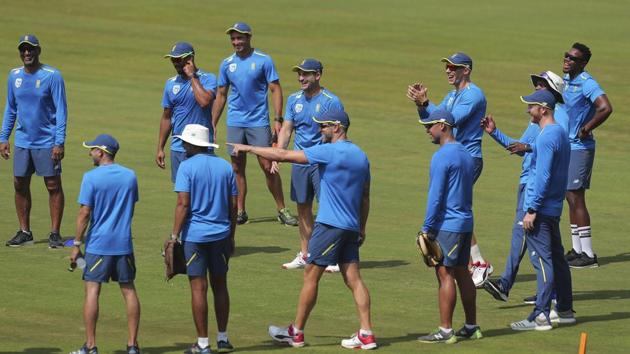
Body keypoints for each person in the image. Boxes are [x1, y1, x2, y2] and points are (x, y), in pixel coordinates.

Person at [228, 109, 377, 350]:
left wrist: (248, 149)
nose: (320, 130)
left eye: (324, 126)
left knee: (311, 276)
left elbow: (283, 154)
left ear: (337, 127)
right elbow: (366, 197)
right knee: (354, 278)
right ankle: (366, 333)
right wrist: (361, 227)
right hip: (351, 227)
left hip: (329, 225)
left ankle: (295, 333)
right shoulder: (361, 156)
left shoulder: (328, 152)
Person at [407, 52, 491, 287]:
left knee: (455, 208)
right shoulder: (452, 94)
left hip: (468, 159)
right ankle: (474, 262)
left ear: (467, 70)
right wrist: (420, 104)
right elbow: (432, 119)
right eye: (447, 66)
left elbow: (450, 119)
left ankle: (478, 263)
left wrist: (426, 103)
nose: (448, 70)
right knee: (454, 207)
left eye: (454, 67)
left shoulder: (474, 95)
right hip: (455, 157)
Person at [482, 71, 565, 303]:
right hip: (529, 185)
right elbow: (521, 146)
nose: (536, 87)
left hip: (537, 190)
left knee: (531, 243)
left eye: (541, 84)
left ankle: (511, 288)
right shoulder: (537, 120)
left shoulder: (558, 120)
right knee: (547, 250)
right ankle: (553, 296)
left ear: (551, 93)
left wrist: (534, 206)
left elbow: (547, 155)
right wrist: (494, 133)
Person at [212, 22, 297, 226]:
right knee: (236, 167)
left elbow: (275, 89)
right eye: (233, 38)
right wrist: (213, 123)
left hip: (258, 121)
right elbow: (221, 94)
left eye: (239, 38)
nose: (236, 42)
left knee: (267, 165)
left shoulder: (263, 60)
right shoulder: (226, 64)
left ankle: (281, 209)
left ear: (249, 38)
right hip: (235, 122)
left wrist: (277, 118)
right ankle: (240, 211)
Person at [69, 134, 140, 354]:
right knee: (129, 291)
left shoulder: (90, 178)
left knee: (92, 291)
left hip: (98, 244)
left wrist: (76, 244)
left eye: (92, 149)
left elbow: (84, 213)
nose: (89, 153)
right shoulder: (130, 176)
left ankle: (90, 346)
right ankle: (132, 346)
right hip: (123, 244)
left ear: (101, 152)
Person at [510, 90, 575, 331]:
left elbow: (544, 176)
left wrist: (532, 209)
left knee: (544, 261)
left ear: (544, 109)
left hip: (542, 208)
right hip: (553, 207)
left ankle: (541, 316)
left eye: (532, 107)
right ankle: (565, 310)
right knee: (557, 259)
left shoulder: (548, 136)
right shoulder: (559, 133)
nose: (528, 110)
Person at [171, 124, 237, 354]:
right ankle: (223, 337)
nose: (183, 145)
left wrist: (173, 235)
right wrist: (232, 235)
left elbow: (183, 204)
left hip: (195, 237)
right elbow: (234, 205)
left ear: (193, 144)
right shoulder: (225, 166)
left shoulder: (186, 167)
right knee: (220, 285)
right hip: (221, 235)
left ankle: (202, 343)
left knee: (198, 288)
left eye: (185, 142)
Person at [415, 110, 480, 344]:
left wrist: (427, 228)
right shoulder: (465, 153)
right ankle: (472, 326)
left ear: (443, 126)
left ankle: (445, 331)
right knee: (463, 273)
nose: (427, 130)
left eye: (430, 125)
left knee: (445, 274)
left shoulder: (442, 156)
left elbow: (436, 196)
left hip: (448, 224)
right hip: (465, 222)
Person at [275, 58, 344, 272]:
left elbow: (340, 132)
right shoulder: (294, 99)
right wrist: (278, 154)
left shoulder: (331, 101)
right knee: (303, 207)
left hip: (323, 162)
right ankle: (306, 254)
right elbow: (287, 129)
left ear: (318, 75)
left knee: (327, 208)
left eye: (306, 74)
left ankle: (331, 256)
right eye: (299, 74)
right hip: (299, 159)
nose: (301, 78)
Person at [2, 34, 67, 248]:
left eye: (31, 49)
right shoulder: (14, 76)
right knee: (19, 183)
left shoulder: (52, 76)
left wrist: (59, 142)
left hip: (47, 141)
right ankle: (24, 231)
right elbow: (11, 109)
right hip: (23, 141)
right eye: (23, 49)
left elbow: (61, 110)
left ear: (39, 51)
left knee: (52, 185)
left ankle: (55, 233)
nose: (27, 53)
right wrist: (4, 137)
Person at [561, 43, 613, 269]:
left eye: (573, 58)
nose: (567, 60)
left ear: (582, 63)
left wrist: (586, 128)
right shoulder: (566, 81)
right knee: (569, 196)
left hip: (580, 148)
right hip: (567, 147)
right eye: (566, 56)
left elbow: (605, 108)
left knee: (576, 196)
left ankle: (589, 254)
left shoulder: (587, 83)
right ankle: (576, 249)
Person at [156, 42, 217, 182]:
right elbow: (166, 117)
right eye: (173, 59)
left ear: (190, 58)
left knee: (201, 189)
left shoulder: (208, 78)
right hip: (178, 147)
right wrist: (160, 148)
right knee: (182, 193)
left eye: (178, 59)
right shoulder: (170, 84)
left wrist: (192, 77)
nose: (175, 63)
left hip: (201, 146)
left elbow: (204, 101)